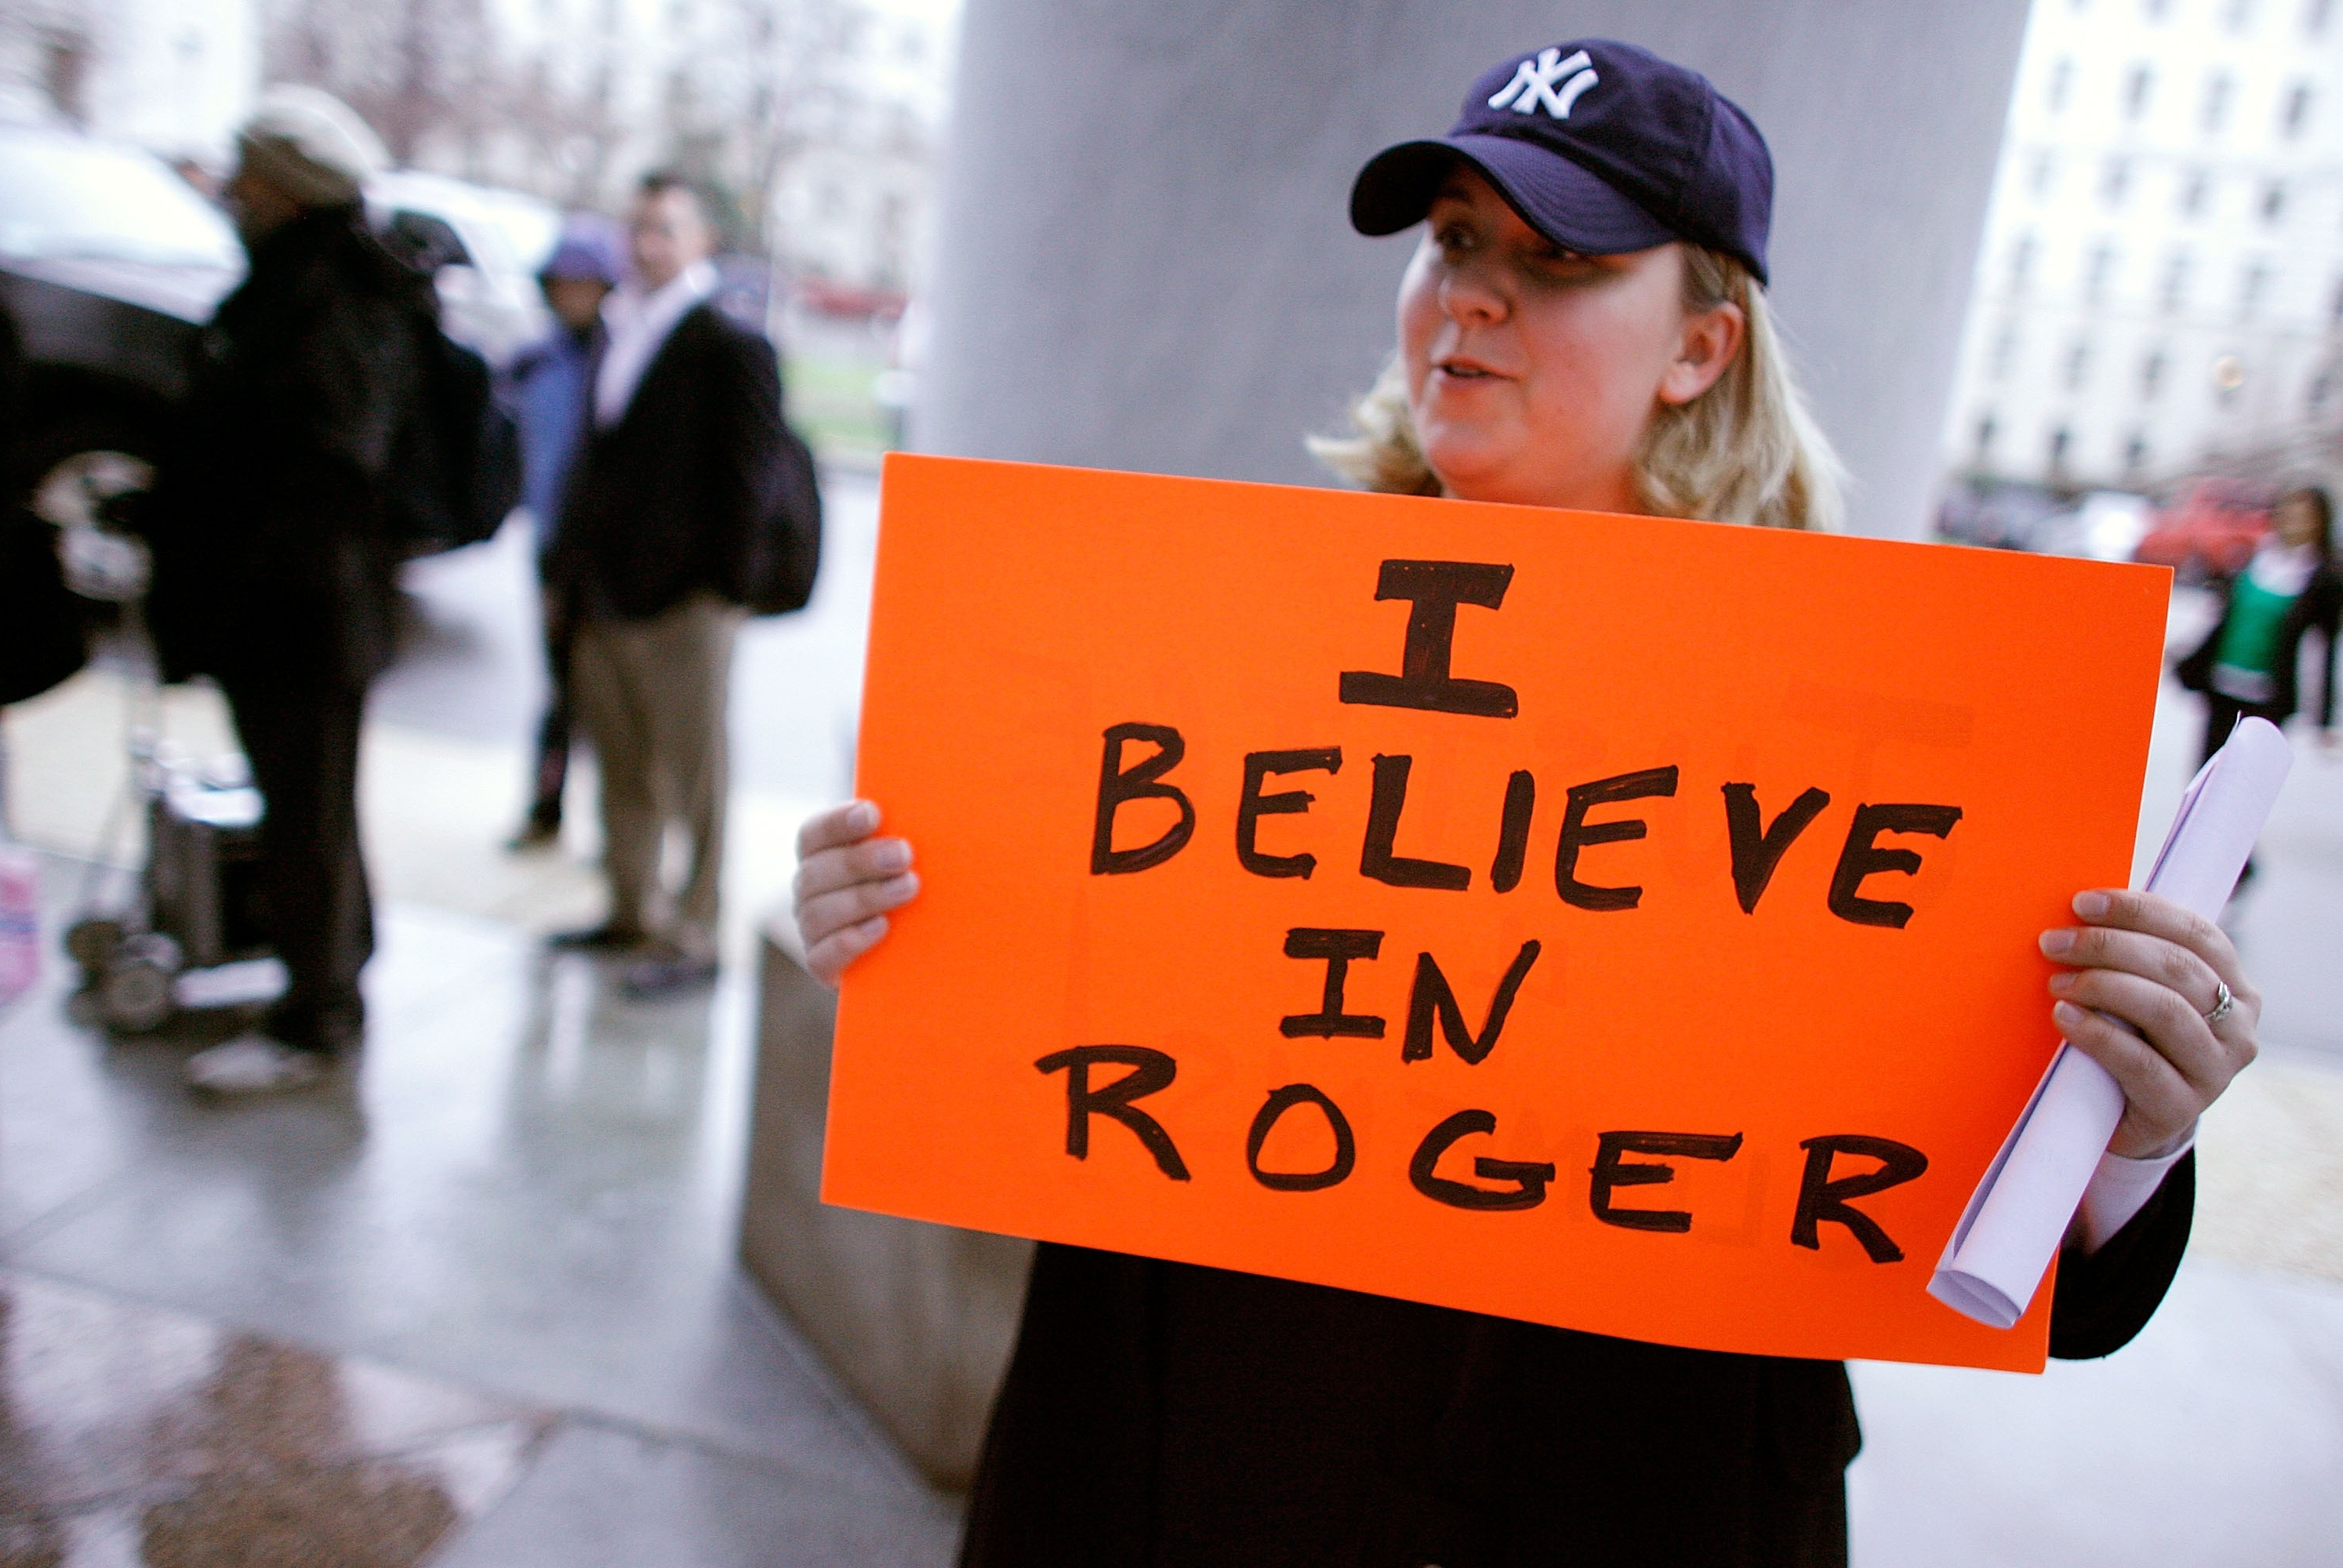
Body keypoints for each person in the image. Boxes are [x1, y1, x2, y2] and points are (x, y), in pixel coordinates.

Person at [790, 42, 2267, 1567]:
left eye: (1556, 258)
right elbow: (1070, 1059)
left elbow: (2033, 1268)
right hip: (1188, 1460)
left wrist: (2128, 1124)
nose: (1471, 294)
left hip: (1629, 1495)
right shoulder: (1216, 649)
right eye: (1452, 242)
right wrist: (909, 922)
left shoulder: (1873, 729)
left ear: (1701, 345)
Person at [148, 88, 424, 1096]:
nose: (229, 191)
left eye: (244, 174)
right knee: (317, 804)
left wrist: (248, 569)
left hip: (303, 617)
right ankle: (337, 970)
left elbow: (328, 471)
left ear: (279, 189)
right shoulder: (314, 284)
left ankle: (317, 1015)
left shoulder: (325, 301)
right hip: (305, 610)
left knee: (306, 811)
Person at [543, 171, 786, 999]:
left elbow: (749, 482)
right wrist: (567, 576)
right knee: (621, 766)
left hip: (685, 602)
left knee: (694, 772)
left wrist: (719, 589)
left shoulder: (729, 342)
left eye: (665, 229)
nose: (646, 244)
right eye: (636, 227)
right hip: (604, 592)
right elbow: (594, 462)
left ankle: (697, 931)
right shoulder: (615, 328)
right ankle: (630, 909)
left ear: (701, 241)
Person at [505, 216, 623, 851]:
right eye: (563, 283)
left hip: (605, 553)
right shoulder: (533, 364)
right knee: (559, 688)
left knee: (610, 695)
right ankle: (544, 805)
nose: (573, 295)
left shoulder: (621, 358)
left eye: (586, 284)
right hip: (551, 547)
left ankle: (617, 831)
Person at [2175, 485, 2339, 768]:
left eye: (2304, 517)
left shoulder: (2322, 578)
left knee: (2243, 782)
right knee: (2204, 775)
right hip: (2222, 687)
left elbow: (2324, 649)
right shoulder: (2256, 558)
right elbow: (2227, 619)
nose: (2294, 523)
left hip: (2267, 700)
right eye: (2289, 514)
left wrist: (2323, 719)